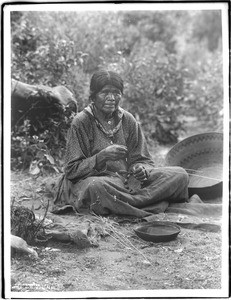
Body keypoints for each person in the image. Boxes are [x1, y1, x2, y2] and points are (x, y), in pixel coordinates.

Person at [54, 70, 189, 218]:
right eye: (105, 92)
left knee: (180, 175)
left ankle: (127, 204)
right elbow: (72, 171)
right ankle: (147, 202)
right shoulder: (81, 122)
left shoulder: (128, 120)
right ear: (93, 96)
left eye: (116, 92)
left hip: (128, 182)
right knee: (95, 188)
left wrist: (140, 169)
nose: (111, 98)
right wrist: (101, 157)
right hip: (100, 181)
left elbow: (143, 159)